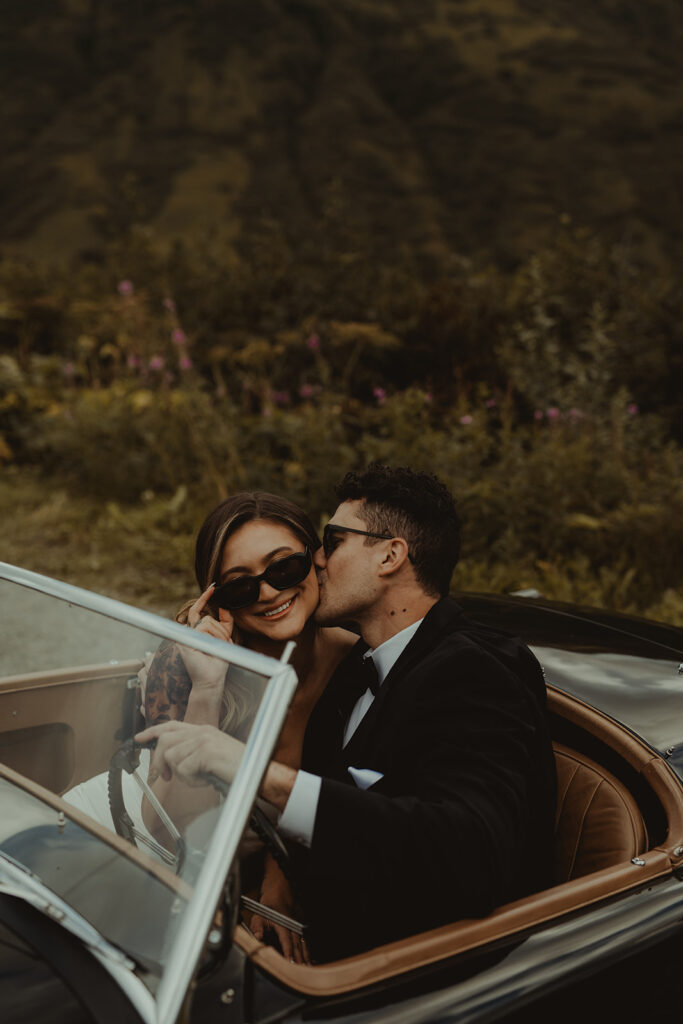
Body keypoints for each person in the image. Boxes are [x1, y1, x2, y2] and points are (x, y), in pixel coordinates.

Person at [138, 465, 557, 962]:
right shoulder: (362, 665)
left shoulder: (474, 669)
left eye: (332, 541)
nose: (316, 559)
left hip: (426, 961)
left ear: (390, 554)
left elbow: (472, 854)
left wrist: (251, 772)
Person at [139, 491, 357, 960]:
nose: (269, 593)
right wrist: (208, 686)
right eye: (240, 586)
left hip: (260, 868)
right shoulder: (185, 663)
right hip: (160, 851)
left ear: (316, 559)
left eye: (283, 568)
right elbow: (167, 829)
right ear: (218, 600)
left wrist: (277, 885)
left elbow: (332, 794)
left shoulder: (354, 657)